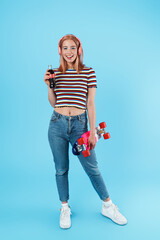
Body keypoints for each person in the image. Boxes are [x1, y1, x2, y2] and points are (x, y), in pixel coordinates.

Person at [43, 34, 127, 229]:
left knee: (92, 168)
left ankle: (107, 206)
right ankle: (64, 207)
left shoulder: (89, 72)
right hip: (57, 124)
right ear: (60, 51)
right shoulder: (55, 73)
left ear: (79, 50)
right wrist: (48, 86)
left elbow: (90, 103)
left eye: (73, 48)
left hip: (80, 126)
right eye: (65, 48)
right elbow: (54, 103)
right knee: (61, 169)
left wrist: (90, 131)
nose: (69, 52)